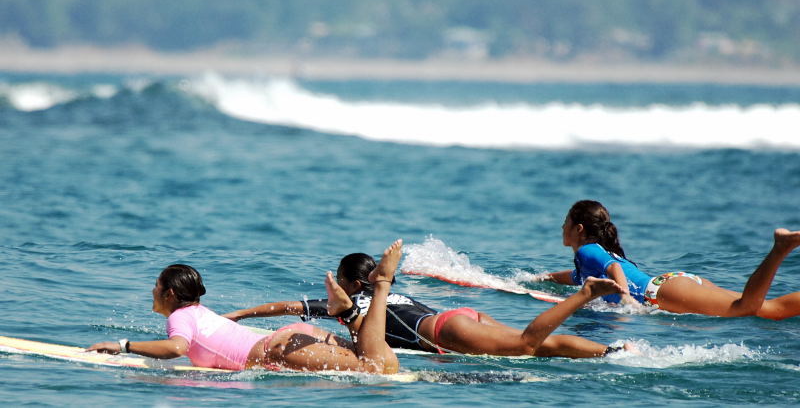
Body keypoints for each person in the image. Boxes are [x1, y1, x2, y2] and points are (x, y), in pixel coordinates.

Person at [224, 252, 630, 358]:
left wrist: (239, 315)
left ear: (349, 283)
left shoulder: (352, 300)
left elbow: (286, 307)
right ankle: (612, 352)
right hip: (457, 318)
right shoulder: (386, 294)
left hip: (442, 331)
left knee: (526, 344)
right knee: (541, 348)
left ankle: (583, 294)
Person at [87, 240, 405, 374]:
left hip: (278, 350)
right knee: (377, 358)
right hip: (290, 339)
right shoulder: (201, 312)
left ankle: (381, 283)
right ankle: (349, 312)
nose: (151, 290)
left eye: (156, 286)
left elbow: (176, 348)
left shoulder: (181, 318)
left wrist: (123, 346)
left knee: (376, 367)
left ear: (170, 294)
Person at [545, 199, 800, 319]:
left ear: (578, 228)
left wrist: (624, 300)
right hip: (669, 285)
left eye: (565, 222)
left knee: (745, 308)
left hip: (658, 294)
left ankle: (779, 249)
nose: (561, 227)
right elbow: (574, 277)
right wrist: (539, 278)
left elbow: (613, 269)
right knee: (768, 310)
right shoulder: (587, 261)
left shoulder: (588, 250)